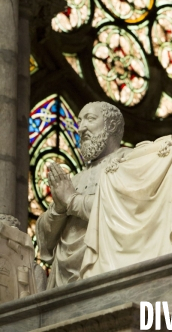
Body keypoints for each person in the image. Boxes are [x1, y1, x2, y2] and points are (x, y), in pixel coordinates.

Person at [36, 101, 130, 288]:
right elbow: (45, 242)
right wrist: (59, 208)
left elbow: (123, 210)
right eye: (79, 121)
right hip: (61, 279)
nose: (81, 128)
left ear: (111, 125)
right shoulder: (75, 180)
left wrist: (72, 200)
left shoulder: (129, 161)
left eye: (90, 119)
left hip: (106, 267)